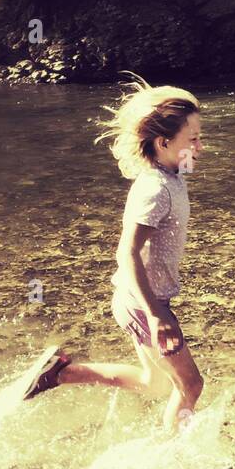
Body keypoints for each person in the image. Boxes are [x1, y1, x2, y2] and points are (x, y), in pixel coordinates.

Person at [21, 76, 205, 435]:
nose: (201, 147)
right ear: (163, 142)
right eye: (193, 139)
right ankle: (172, 457)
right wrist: (156, 315)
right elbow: (128, 251)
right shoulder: (155, 188)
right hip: (144, 304)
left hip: (140, 299)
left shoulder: (169, 175)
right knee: (190, 385)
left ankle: (61, 373)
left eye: (200, 137)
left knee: (155, 384)